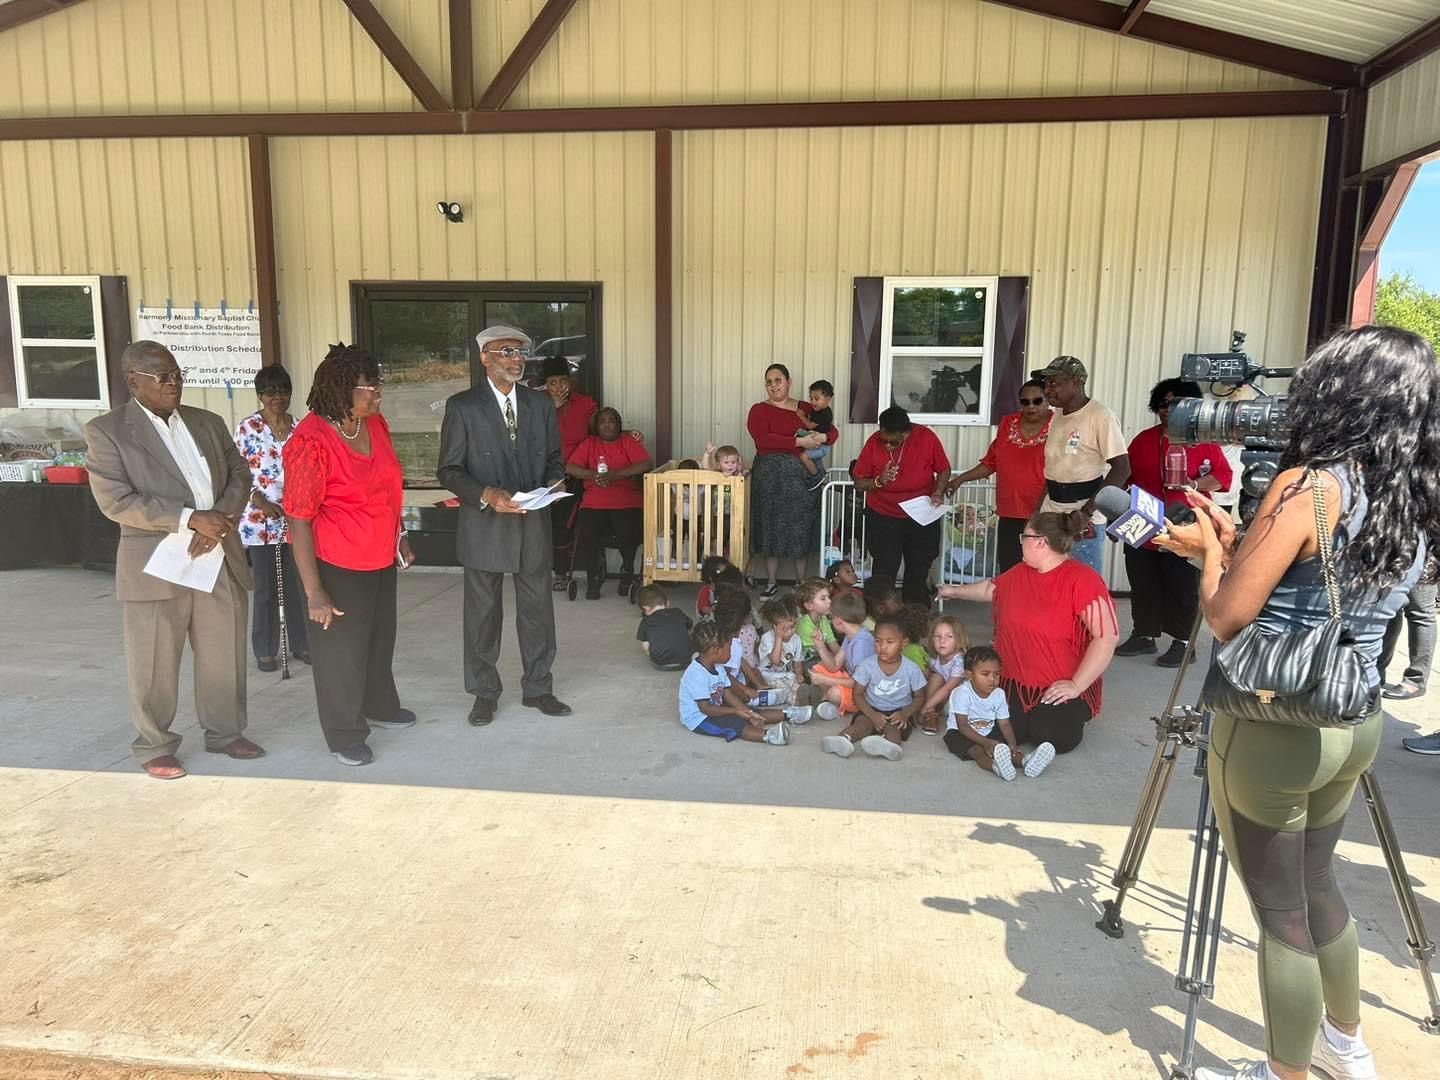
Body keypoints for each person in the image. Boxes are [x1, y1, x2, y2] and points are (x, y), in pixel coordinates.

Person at [1154, 326, 1440, 1080]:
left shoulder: (1310, 482)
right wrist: (1240, 542)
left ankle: (1285, 1073)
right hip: (1357, 718)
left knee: (1280, 915)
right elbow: (1321, 586)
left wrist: (1214, 554)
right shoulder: (1410, 491)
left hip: (1275, 727)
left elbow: (1226, 616)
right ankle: (1348, 1048)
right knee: (1320, 888)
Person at [85, 341, 264, 780]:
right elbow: (116, 500)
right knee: (154, 660)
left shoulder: (207, 421)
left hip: (218, 553)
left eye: (177, 374)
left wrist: (217, 522)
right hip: (157, 561)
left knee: (224, 651)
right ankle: (155, 745)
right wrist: (189, 520)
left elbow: (240, 474)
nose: (173, 382)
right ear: (133, 381)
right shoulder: (108, 431)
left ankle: (225, 732)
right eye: (162, 376)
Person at [284, 344, 416, 767]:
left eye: (379, 385)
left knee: (379, 639)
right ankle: (344, 732)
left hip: (379, 555)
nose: (378, 394)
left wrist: (400, 536)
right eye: (369, 387)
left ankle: (379, 703)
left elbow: (387, 489)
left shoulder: (374, 425)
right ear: (341, 389)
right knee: (342, 654)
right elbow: (299, 519)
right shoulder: (311, 441)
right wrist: (314, 591)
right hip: (337, 564)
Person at [438, 325, 571, 726]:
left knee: (537, 612)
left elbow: (553, 457)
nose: (516, 358)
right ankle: (484, 693)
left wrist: (553, 482)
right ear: (485, 358)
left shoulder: (540, 404)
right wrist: (487, 494)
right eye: (506, 351)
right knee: (483, 615)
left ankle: (538, 688)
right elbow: (448, 470)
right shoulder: (462, 406)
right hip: (485, 525)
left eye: (520, 352)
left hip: (532, 521)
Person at [937, 511, 1119, 758]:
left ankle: (1069, 712)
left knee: (1050, 733)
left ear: (1040, 542)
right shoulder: (1021, 572)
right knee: (1002, 728)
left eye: (1025, 536)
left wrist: (1077, 685)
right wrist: (953, 591)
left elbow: (1106, 637)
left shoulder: (1084, 580)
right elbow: (991, 589)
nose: (1021, 541)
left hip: (1060, 684)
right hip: (1016, 682)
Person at [1116, 378, 1232, 668]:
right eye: (1164, 403)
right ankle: (1144, 635)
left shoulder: (1204, 440)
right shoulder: (1142, 440)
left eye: (1178, 403)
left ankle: (1183, 643)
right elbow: (1124, 480)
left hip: (1186, 526)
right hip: (1143, 524)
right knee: (1142, 583)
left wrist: (1193, 483)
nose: (1169, 409)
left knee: (1182, 587)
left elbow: (1222, 477)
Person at [234, 365, 309, 672]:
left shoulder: (301, 428)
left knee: (298, 583)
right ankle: (265, 648)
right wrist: (260, 500)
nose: (277, 397)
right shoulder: (248, 427)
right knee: (266, 586)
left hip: (296, 517)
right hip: (260, 519)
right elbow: (237, 473)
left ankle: (303, 643)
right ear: (260, 395)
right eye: (270, 392)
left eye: (283, 391)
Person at [1033, 355, 1129, 576]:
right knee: (1050, 579)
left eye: (1054, 383)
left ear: (1076, 383)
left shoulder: (1100, 416)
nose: (1047, 390)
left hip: (1082, 518)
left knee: (1082, 583)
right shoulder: (1057, 416)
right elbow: (1054, 469)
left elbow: (1122, 468)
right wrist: (1037, 511)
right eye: (1046, 384)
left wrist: (1086, 512)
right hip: (1052, 512)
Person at [747, 364, 838, 598]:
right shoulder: (758, 410)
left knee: (802, 525)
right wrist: (799, 443)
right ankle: (771, 581)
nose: (774, 384)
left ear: (789, 381)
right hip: (770, 478)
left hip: (802, 480)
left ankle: (801, 582)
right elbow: (763, 439)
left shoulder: (805, 407)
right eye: (769, 381)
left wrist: (824, 436)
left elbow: (832, 430)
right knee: (771, 525)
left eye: (778, 379)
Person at [946, 380, 1052, 573]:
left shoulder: (1058, 426)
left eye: (1037, 401)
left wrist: (1040, 510)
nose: (1030, 406)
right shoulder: (1008, 423)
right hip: (1010, 511)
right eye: (1025, 401)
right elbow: (990, 463)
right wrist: (959, 479)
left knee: (1042, 569)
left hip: (1044, 513)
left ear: (1047, 401)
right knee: (1010, 568)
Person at [850, 406, 951, 606]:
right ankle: (881, 616)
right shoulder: (873, 442)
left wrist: (937, 492)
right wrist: (879, 481)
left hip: (920, 514)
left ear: (906, 433)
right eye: (883, 439)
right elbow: (859, 481)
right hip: (883, 514)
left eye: (893, 441)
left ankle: (915, 615)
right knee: (884, 569)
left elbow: (944, 469)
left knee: (919, 567)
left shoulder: (926, 438)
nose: (887, 445)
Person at [565, 406, 651, 599]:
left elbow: (646, 464)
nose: (607, 425)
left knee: (627, 532)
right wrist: (592, 475)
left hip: (626, 500)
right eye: (602, 421)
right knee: (588, 534)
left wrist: (615, 475)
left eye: (611, 421)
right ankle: (593, 577)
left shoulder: (627, 442)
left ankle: (627, 570)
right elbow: (571, 466)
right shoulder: (589, 443)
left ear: (618, 425)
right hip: (594, 502)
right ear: (596, 425)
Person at [819, 617, 927, 762]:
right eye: (878, 641)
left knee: (894, 729)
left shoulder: (911, 669)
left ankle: (888, 746)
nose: (882, 646)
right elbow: (857, 694)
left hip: (898, 712)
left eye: (889, 642)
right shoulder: (867, 665)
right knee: (862, 725)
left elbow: (920, 696)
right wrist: (872, 714)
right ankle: (842, 740)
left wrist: (905, 713)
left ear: (904, 643)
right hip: (871, 709)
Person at [942, 645, 1054, 781]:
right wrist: (985, 742)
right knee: (978, 752)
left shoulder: (999, 694)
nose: (992, 679)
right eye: (985, 674)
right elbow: (963, 726)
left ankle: (1026, 761)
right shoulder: (961, 693)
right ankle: (996, 767)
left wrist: (1013, 745)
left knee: (1005, 749)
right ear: (969, 675)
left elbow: (1005, 723)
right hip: (960, 732)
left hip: (988, 730)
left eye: (996, 674)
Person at [677, 621, 792, 745]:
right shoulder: (696, 674)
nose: (732, 653)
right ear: (717, 651)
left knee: (751, 711)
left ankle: (790, 714)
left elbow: (728, 694)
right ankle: (769, 736)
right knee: (735, 723)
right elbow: (705, 708)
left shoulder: (719, 667)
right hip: (700, 719)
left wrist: (747, 713)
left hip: (716, 707)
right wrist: (736, 711)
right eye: (729, 649)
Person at [542, 355, 596, 591]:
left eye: (563, 381)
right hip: (543, 476)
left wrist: (630, 433)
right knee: (547, 527)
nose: (558, 387)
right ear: (546, 384)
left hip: (576, 476)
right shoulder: (536, 403)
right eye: (552, 382)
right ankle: (554, 571)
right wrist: (549, 409)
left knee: (564, 525)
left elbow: (603, 430)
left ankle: (563, 572)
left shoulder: (585, 404)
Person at [1379, 552, 1436, 703]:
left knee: (1420, 610)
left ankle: (1416, 679)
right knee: (1389, 606)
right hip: (1392, 543)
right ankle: (1376, 670)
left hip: (1424, 546)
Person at [917, 614, 968, 736]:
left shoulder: (959, 661)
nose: (942, 641)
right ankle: (931, 713)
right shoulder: (935, 657)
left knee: (937, 679)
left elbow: (948, 688)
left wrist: (925, 705)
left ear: (959, 640)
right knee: (935, 677)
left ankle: (928, 710)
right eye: (937, 636)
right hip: (942, 698)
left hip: (957, 703)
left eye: (949, 636)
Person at [635, 583, 693, 670]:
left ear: (645, 608)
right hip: (686, 660)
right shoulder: (678, 612)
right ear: (667, 602)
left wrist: (650, 653)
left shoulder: (646, 622)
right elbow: (690, 626)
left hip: (660, 663)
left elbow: (645, 646)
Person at [795, 379, 835, 486]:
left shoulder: (824, 414)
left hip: (821, 446)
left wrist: (801, 416)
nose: (812, 402)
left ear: (828, 399)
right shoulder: (817, 410)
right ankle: (819, 472)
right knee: (798, 434)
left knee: (804, 456)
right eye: (811, 398)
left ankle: (816, 476)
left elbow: (810, 425)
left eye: (816, 399)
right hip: (815, 439)